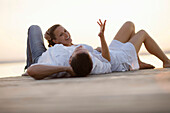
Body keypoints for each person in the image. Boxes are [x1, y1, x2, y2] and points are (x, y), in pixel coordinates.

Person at [25, 19, 170, 80]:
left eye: (66, 31)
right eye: (62, 34)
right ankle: (165, 61)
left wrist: (96, 48)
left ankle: (137, 61)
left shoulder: (75, 51)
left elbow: (34, 70)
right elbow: (105, 60)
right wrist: (101, 40)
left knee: (129, 24)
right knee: (142, 33)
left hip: (41, 59)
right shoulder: (79, 60)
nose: (66, 34)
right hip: (118, 57)